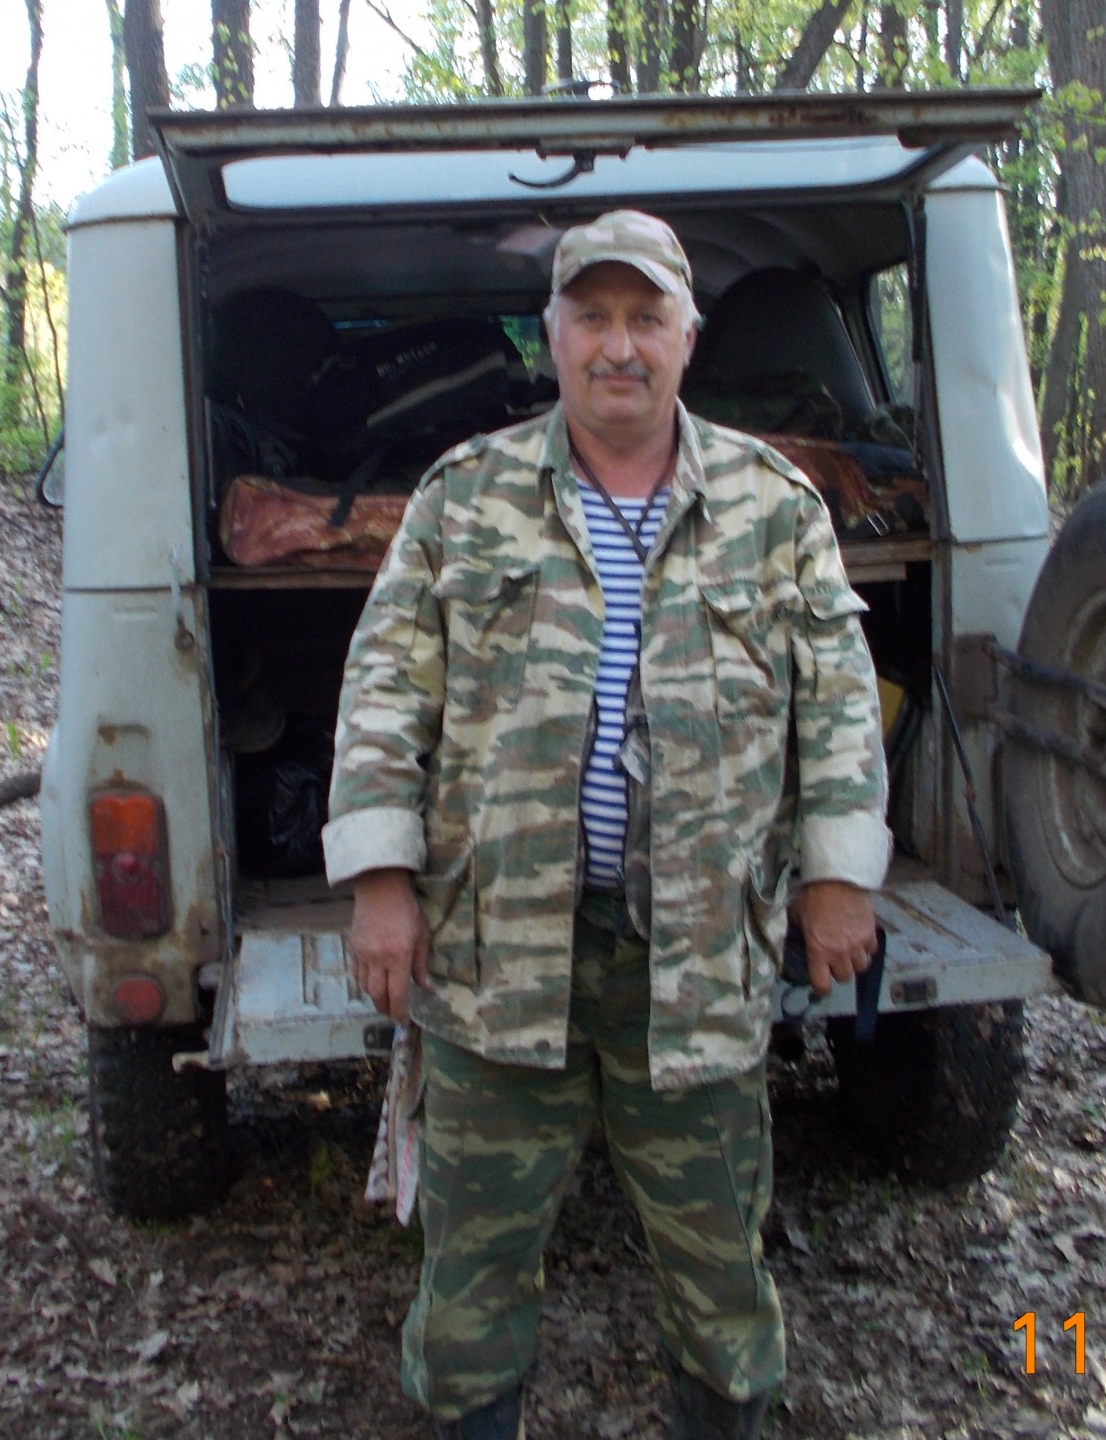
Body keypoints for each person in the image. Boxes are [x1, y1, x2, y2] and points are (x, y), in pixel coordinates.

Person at [324, 209, 890, 1440]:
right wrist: (379, 880)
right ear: (553, 334)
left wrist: (839, 878)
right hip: (497, 960)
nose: (618, 346)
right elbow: (384, 693)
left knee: (720, 1265)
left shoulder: (775, 505)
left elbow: (840, 704)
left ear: (689, 337)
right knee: (471, 1270)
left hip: (698, 964)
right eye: (593, 317)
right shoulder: (465, 496)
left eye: (646, 318)